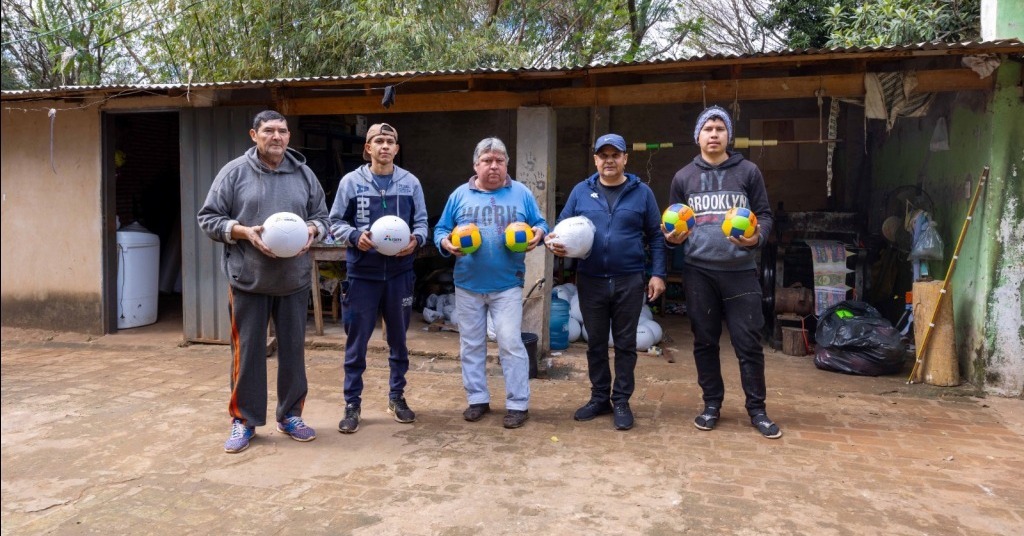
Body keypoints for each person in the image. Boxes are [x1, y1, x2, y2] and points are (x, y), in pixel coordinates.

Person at [197, 110, 330, 453]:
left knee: (293, 353)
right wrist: (242, 232)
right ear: (253, 135)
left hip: (293, 279)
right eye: (268, 130)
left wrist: (312, 230)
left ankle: (290, 416)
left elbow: (322, 217)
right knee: (248, 352)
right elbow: (209, 218)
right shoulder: (234, 173)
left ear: (289, 136)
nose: (277, 137)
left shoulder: (303, 174)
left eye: (282, 131)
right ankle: (244, 420)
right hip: (249, 280)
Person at [665, 105, 781, 439]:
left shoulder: (748, 171)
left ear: (728, 135)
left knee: (748, 343)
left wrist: (756, 237)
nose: (713, 134)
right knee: (705, 342)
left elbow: (765, 214)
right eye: (707, 128)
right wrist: (671, 240)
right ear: (698, 136)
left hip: (741, 271)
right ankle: (711, 405)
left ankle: (757, 410)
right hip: (699, 272)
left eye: (719, 128)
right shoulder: (683, 177)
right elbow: (671, 223)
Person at [547, 133, 666, 431]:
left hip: (629, 279)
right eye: (604, 155)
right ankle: (600, 397)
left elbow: (656, 236)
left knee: (625, 344)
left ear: (625, 158)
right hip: (591, 279)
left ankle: (622, 400)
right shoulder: (580, 192)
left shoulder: (642, 193)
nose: (609, 160)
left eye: (615, 154)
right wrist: (555, 244)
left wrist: (658, 273)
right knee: (596, 343)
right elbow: (561, 228)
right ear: (596, 159)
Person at [433, 137, 547, 429]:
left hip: (507, 284)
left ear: (507, 164)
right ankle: (477, 399)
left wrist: (538, 233)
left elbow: (541, 223)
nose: (493, 166)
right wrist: (445, 242)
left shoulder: (521, 193)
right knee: (471, 344)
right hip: (468, 284)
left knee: (510, 342)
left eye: (499, 160)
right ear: (476, 165)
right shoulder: (459, 195)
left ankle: (518, 403)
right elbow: (441, 229)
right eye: (487, 160)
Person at [329, 123, 428, 434]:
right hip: (362, 274)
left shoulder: (410, 183)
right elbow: (334, 222)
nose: (384, 146)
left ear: (397, 149)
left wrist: (416, 241)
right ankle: (352, 403)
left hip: (400, 275)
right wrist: (355, 235)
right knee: (356, 342)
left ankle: (397, 397)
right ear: (367, 149)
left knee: (398, 340)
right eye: (378, 141)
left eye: (390, 142)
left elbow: (423, 223)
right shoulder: (351, 182)